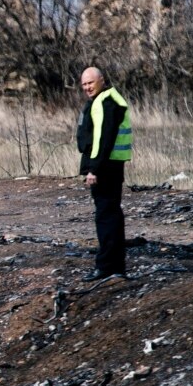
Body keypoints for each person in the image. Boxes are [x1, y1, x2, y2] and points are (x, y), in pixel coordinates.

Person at [76, 66, 133, 282]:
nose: (87, 87)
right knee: (112, 214)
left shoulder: (105, 102)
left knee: (106, 216)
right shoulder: (107, 99)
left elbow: (103, 139)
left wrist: (93, 169)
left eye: (91, 82)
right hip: (111, 165)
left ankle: (107, 266)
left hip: (105, 167)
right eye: (84, 84)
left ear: (101, 80)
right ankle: (116, 266)